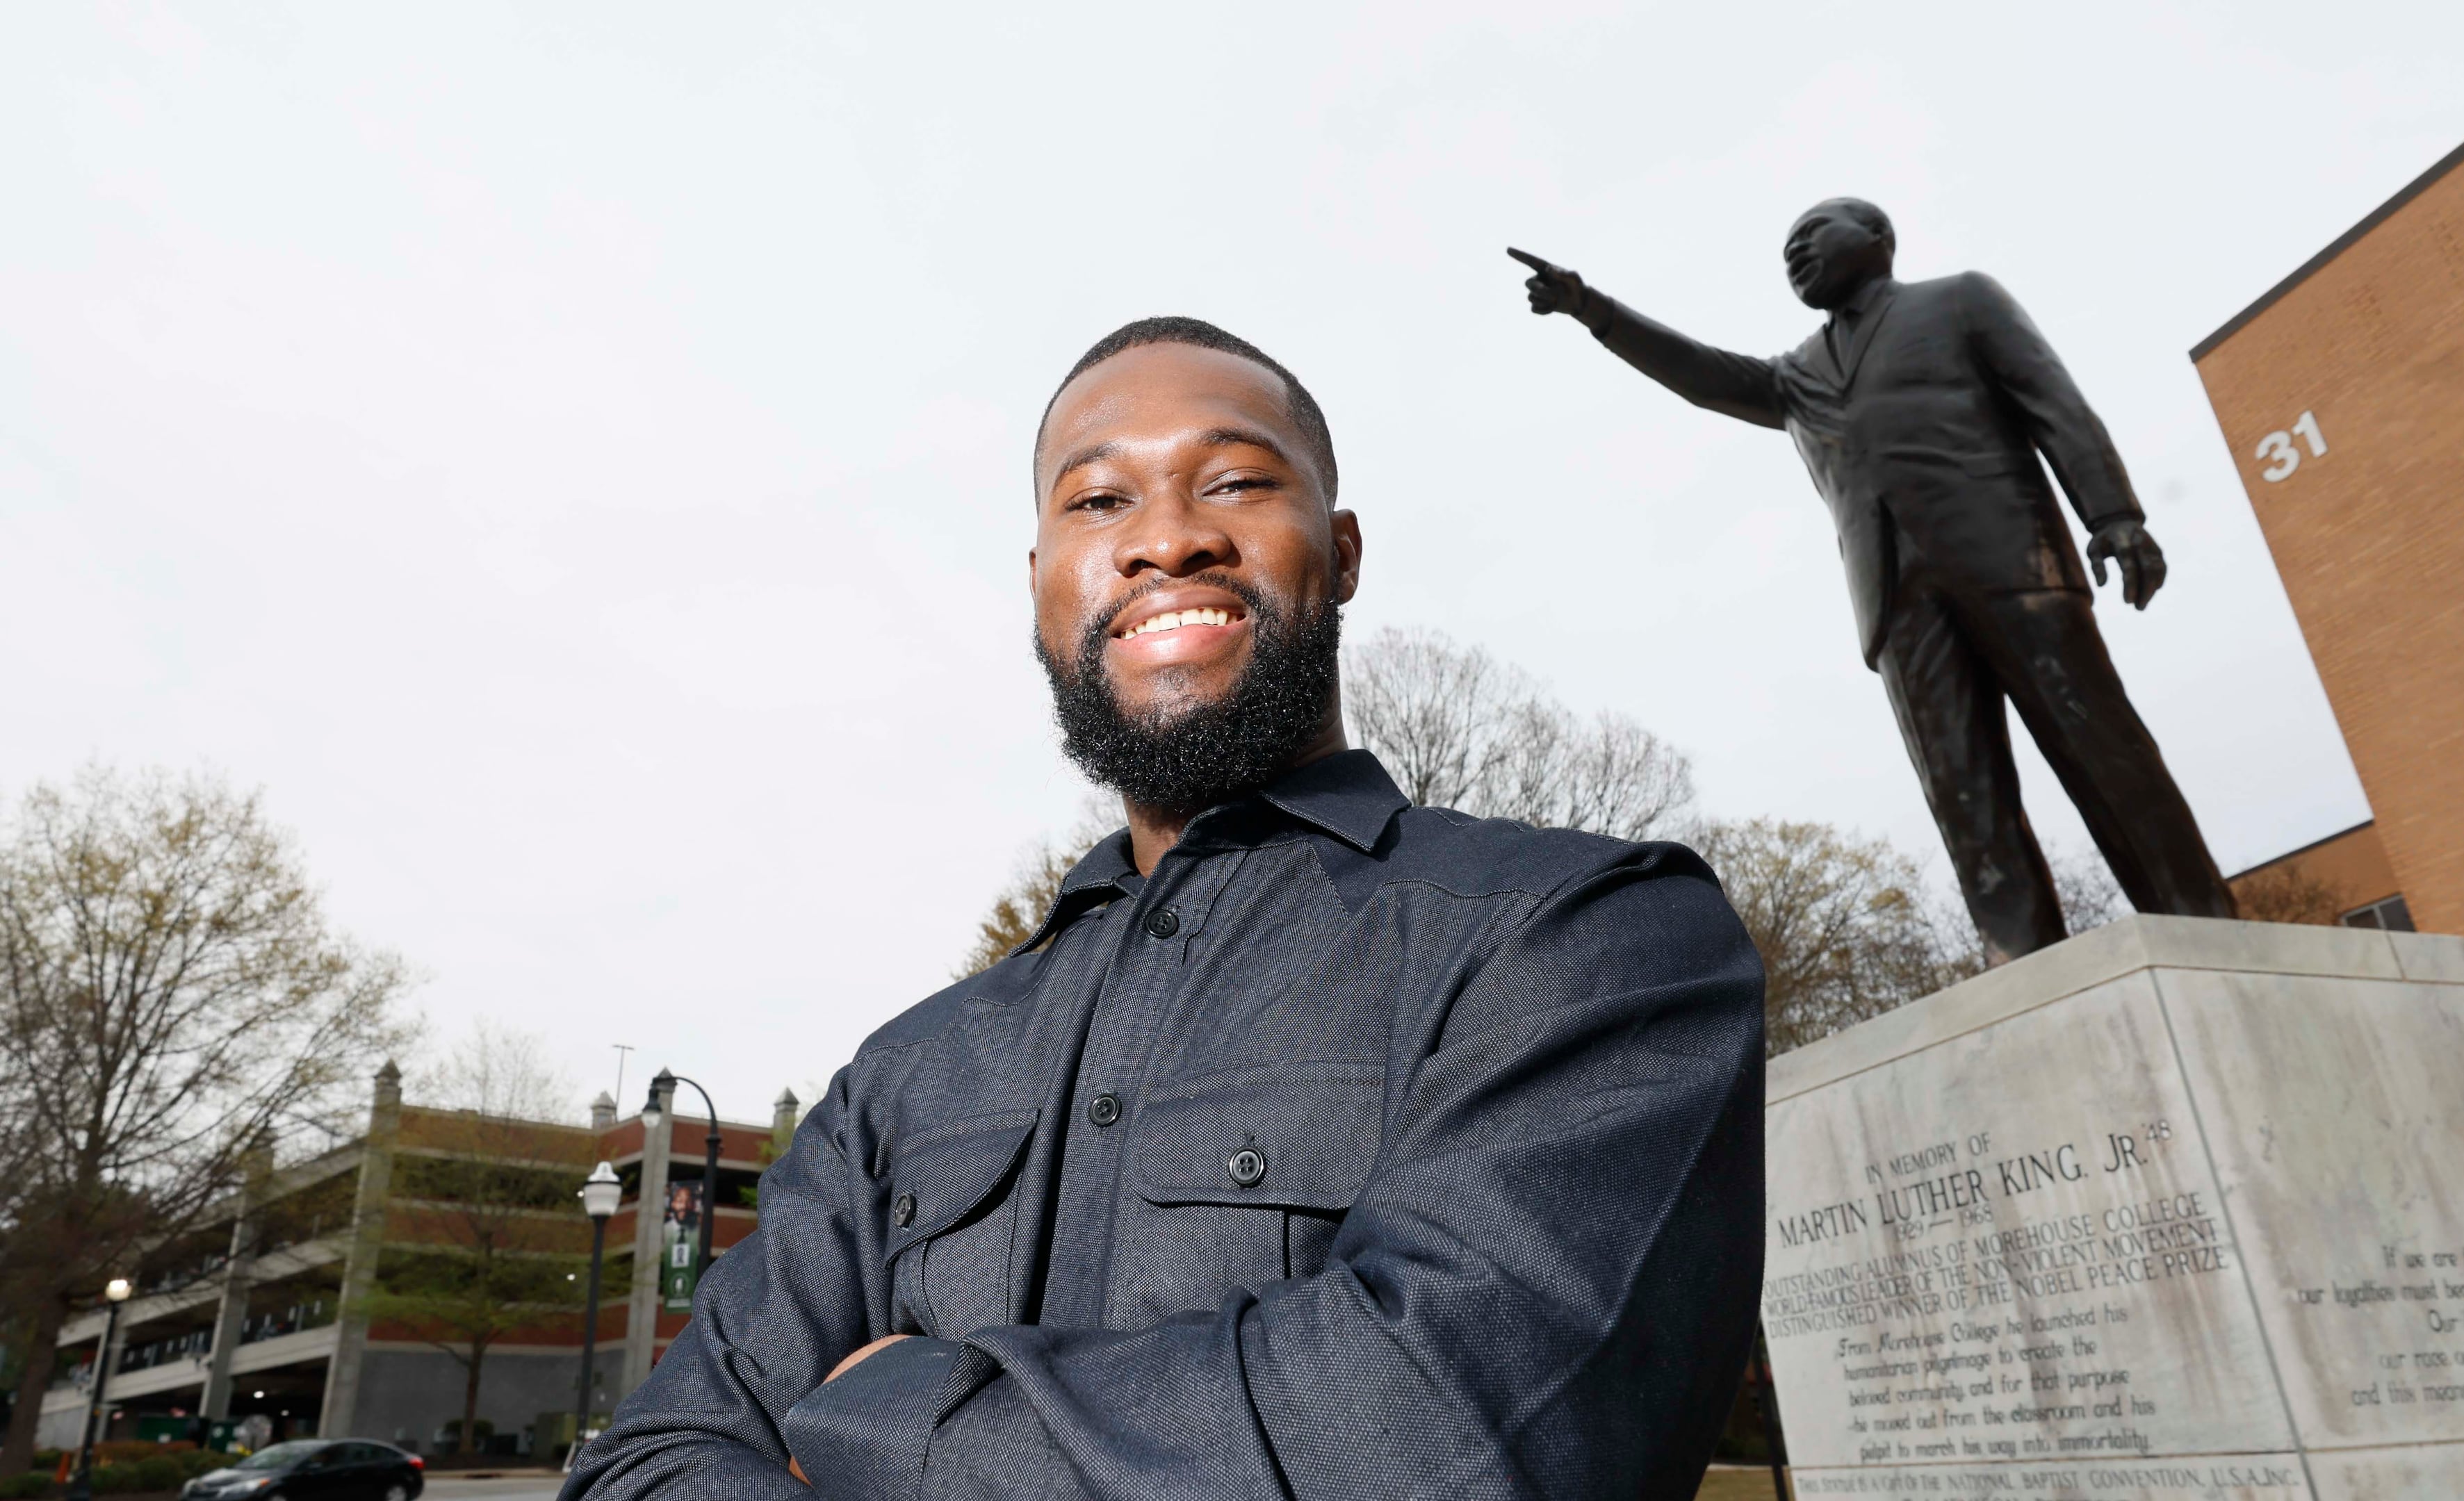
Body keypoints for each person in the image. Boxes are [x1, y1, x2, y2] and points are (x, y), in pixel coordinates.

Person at [562, 317, 1767, 1500]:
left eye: (1236, 481)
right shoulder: (902, 1077)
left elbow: (1442, 1437)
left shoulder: (1593, 938)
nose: (1169, 540)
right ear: (1043, 587)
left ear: (1340, 552)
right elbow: (649, 1465)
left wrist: (888, 1419)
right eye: (1099, 503)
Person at [1512, 201, 2237, 961]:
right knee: (1964, 794)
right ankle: (2022, 959)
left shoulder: (1961, 300)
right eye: (1784, 249)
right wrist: (1593, 310)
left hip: (2010, 560)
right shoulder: (1795, 377)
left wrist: (2113, 514)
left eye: (1811, 236)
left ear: (1879, 239)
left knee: (2101, 747)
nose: (1794, 254)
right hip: (1898, 603)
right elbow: (1702, 376)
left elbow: (2054, 403)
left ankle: (2201, 920)